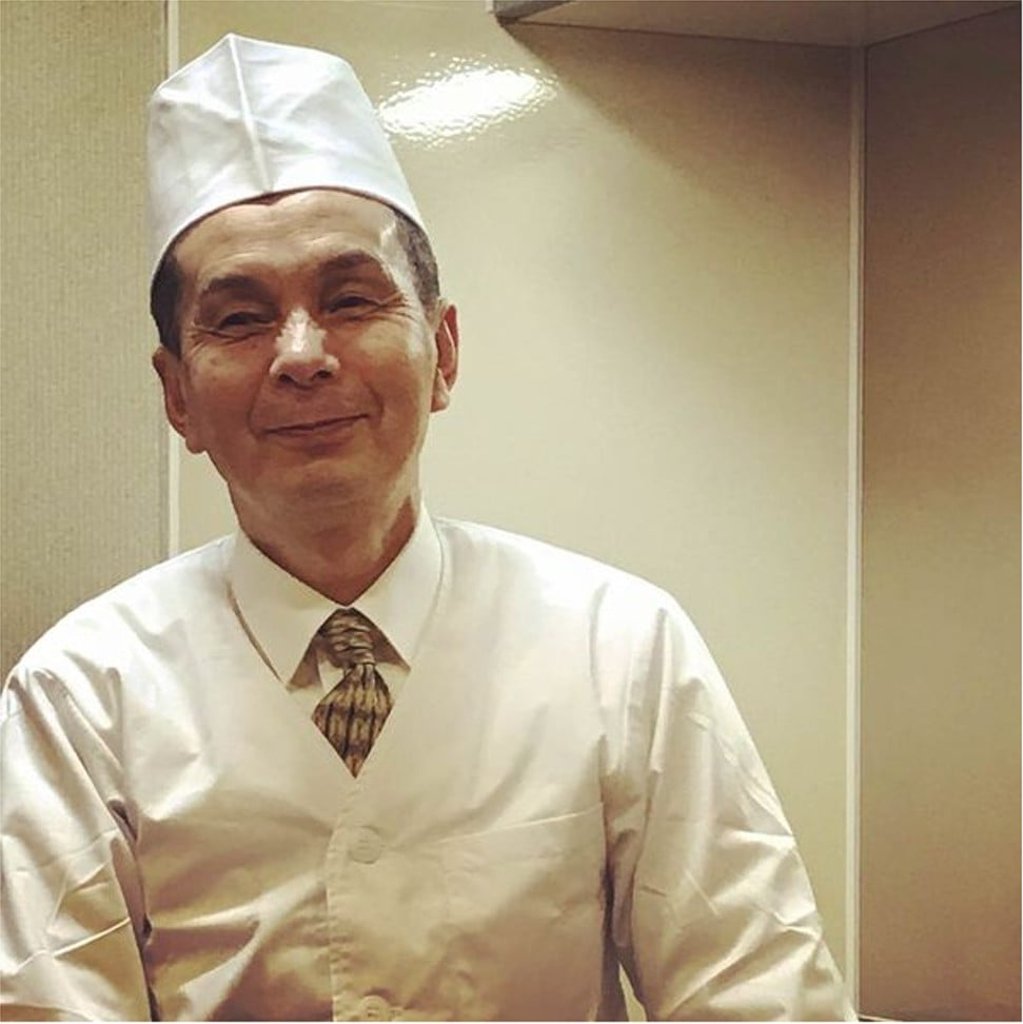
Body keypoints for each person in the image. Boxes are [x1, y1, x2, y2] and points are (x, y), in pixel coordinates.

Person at [1, 34, 852, 1022]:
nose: (301, 355)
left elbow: (754, 991)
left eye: (350, 300)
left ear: (442, 351)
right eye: (238, 319)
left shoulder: (619, 647)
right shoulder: (82, 696)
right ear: (177, 395)